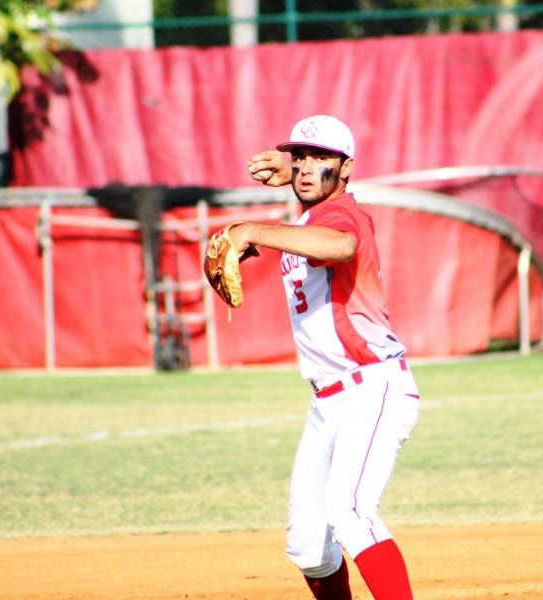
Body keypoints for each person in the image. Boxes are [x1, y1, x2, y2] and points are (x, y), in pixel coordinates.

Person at [229, 115, 420, 599]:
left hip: (371, 387)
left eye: (321, 158)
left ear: (347, 168)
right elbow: (309, 231)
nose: (308, 167)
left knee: (352, 513)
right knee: (310, 546)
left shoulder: (341, 215)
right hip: (327, 402)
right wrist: (293, 175)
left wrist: (253, 230)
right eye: (301, 157)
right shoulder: (308, 219)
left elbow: (341, 245)